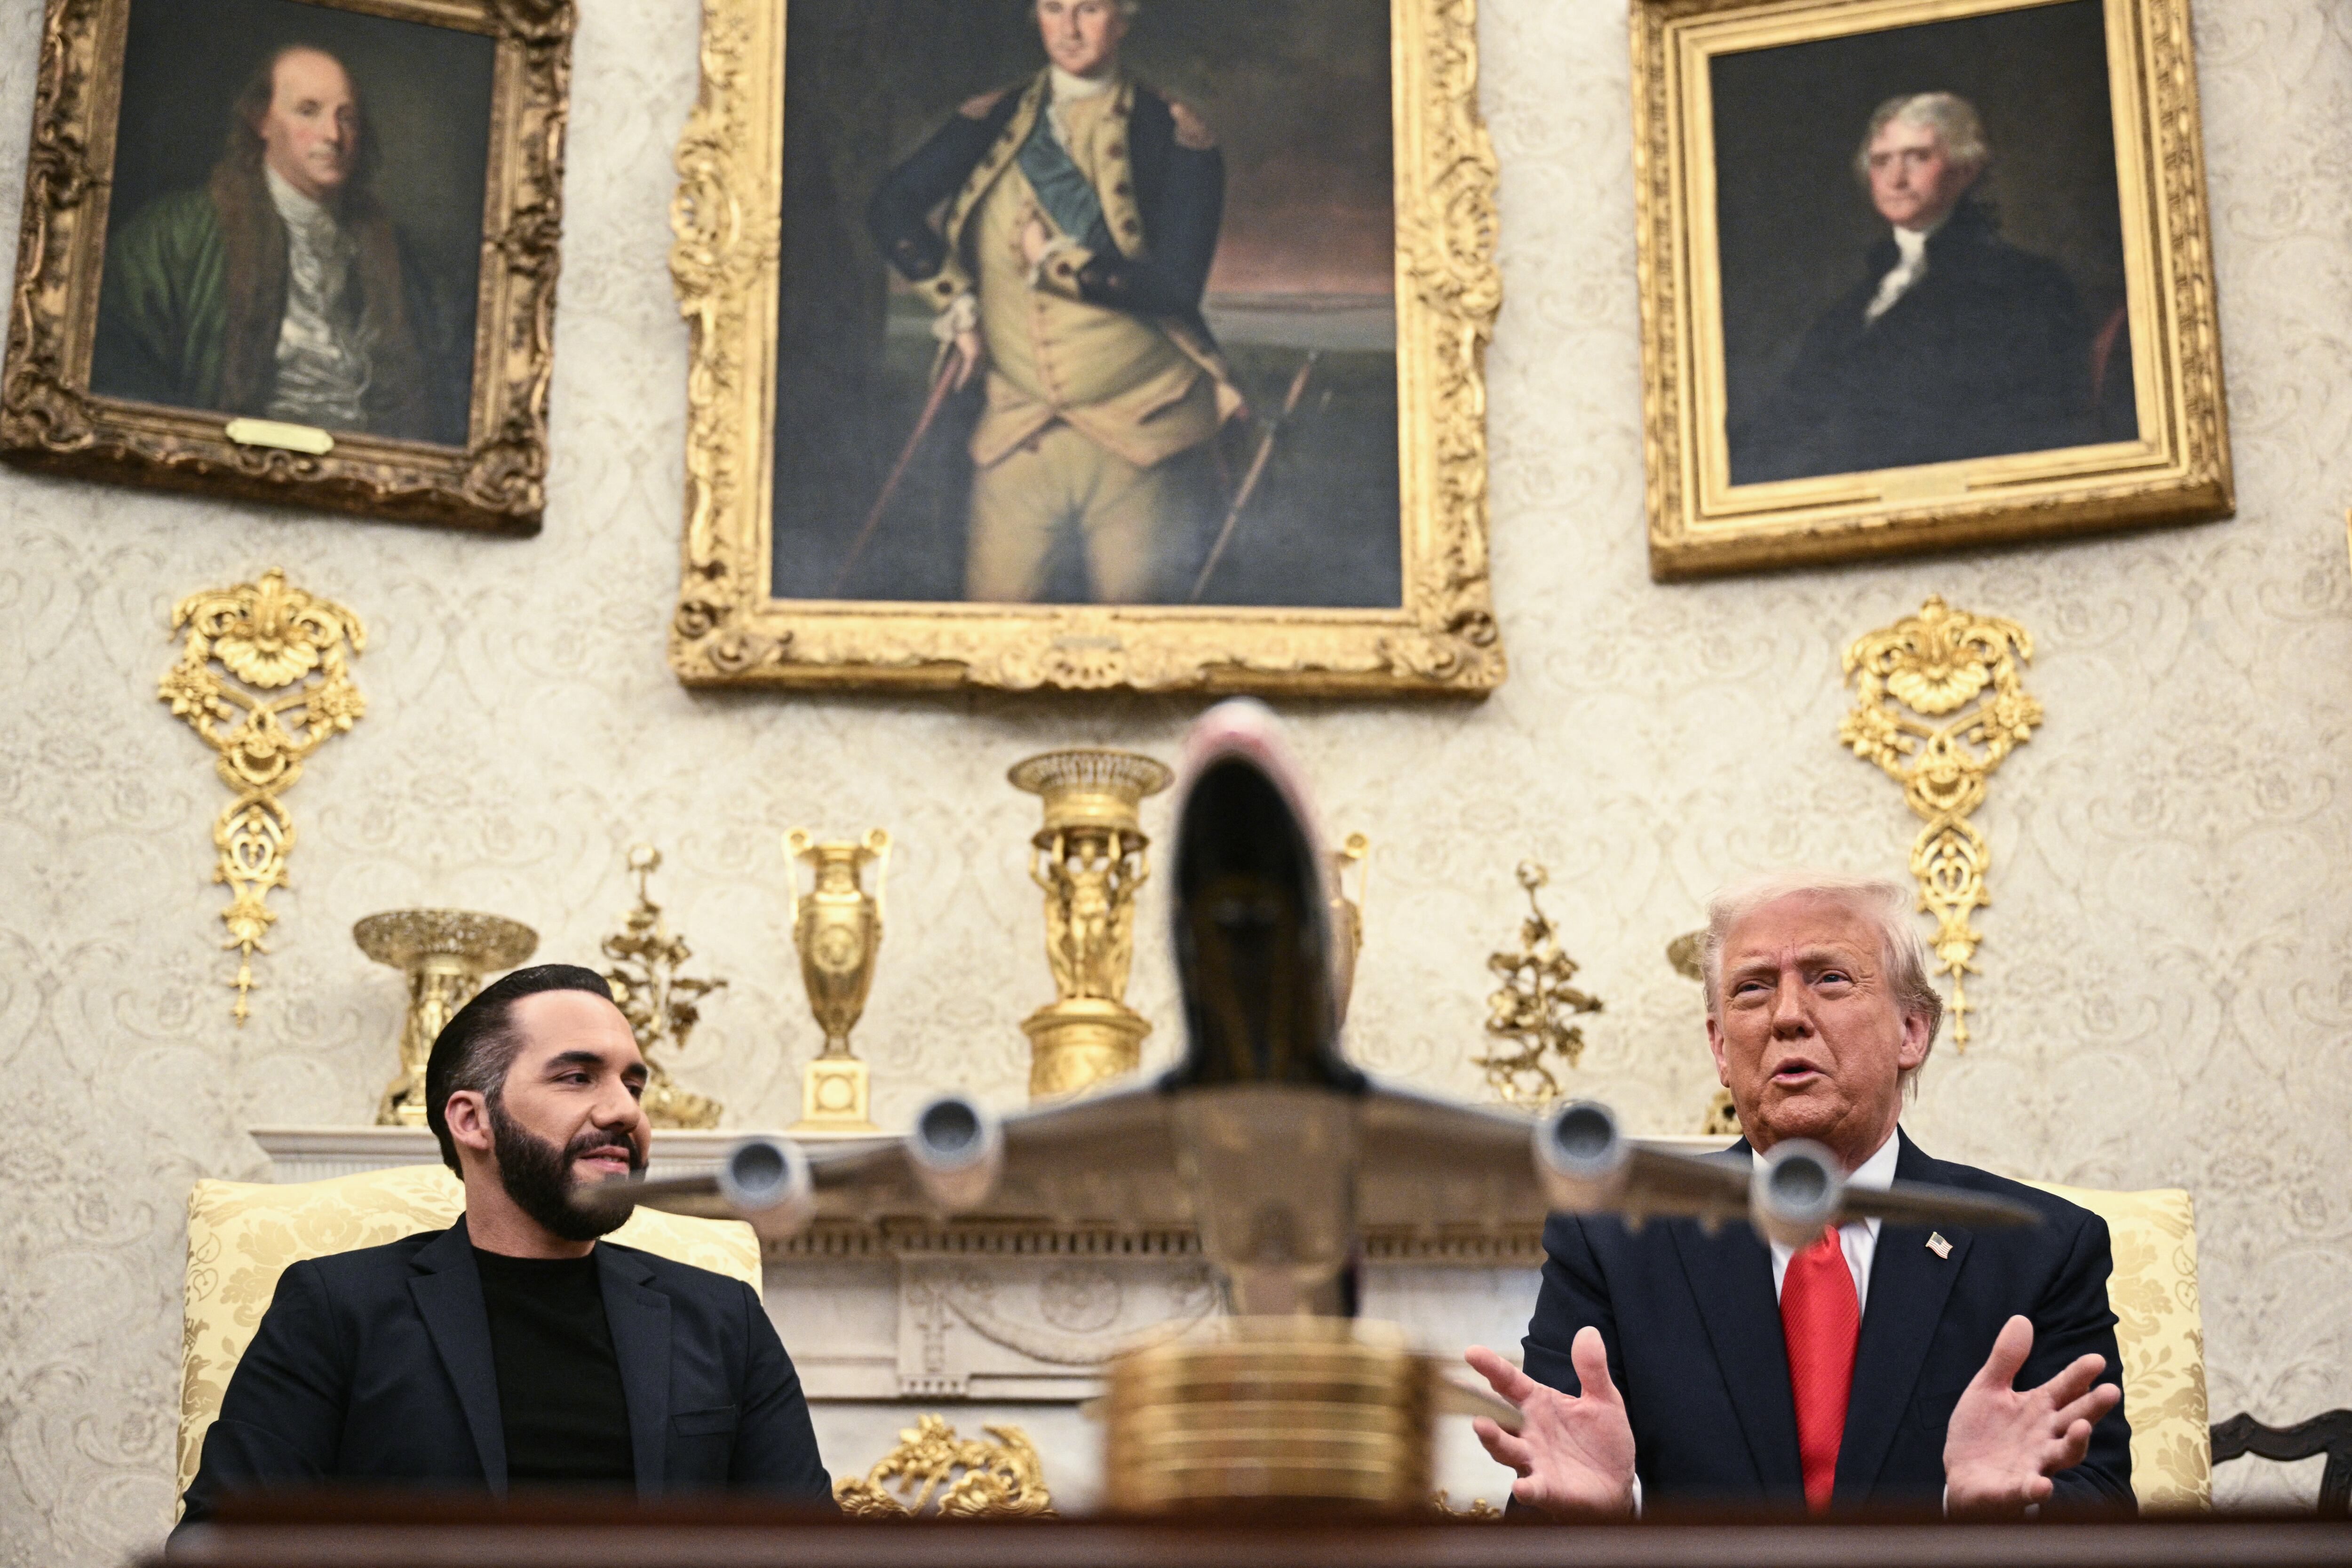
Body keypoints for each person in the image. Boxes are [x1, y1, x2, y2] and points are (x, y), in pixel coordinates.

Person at [1466, 870, 2132, 1516]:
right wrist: (1607, 1512)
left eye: (1829, 979)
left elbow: (2104, 1506)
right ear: (1721, 1047)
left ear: (1912, 1029)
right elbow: (1551, 1495)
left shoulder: (2037, 1247)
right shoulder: (1612, 1237)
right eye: (1752, 990)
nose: (1787, 1016)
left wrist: (1989, 1514)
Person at [177, 965, 833, 1524]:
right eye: (578, 1077)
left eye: (634, 1085)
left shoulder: (724, 1318)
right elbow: (226, 1543)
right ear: (472, 1119)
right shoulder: (334, 1309)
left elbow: (809, 1551)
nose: (625, 1111)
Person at [866, 0, 1242, 604]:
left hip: (1142, 431)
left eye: (1088, 9)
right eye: (1051, 8)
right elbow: (891, 207)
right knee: (992, 637)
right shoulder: (992, 119)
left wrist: (1054, 264)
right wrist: (956, 302)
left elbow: (1175, 288)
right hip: (1013, 431)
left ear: (1124, 17)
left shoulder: (1174, 135)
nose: (1067, 29)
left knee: (1136, 644)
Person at [93, 43, 459, 443]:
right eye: (308, 111)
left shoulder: (400, 255)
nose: (333, 135)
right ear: (261, 119)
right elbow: (115, 365)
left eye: (347, 118)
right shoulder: (175, 234)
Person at [1729, 93, 2094, 484]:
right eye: (1881, 161)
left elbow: (2022, 428)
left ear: (1966, 168)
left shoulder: (2026, 285)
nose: (1895, 179)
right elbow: (1787, 418)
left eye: (1917, 157)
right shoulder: (1858, 303)